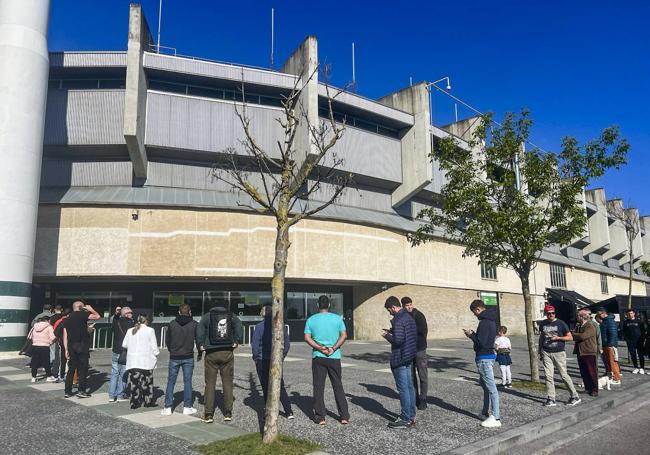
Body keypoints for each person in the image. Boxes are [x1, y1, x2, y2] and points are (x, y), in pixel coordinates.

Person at [304, 295, 350, 425]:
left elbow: (307, 338)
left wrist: (320, 348)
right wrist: (333, 348)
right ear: (329, 305)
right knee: (338, 385)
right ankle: (344, 416)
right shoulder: (337, 319)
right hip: (334, 356)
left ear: (318, 305)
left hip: (318, 356)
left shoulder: (311, 320)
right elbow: (344, 335)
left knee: (318, 387)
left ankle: (320, 417)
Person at [197, 301, 243, 423]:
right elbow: (239, 325)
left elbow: (199, 330)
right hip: (227, 352)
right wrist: (237, 341)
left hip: (211, 353)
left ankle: (208, 414)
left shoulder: (207, 316)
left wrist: (201, 345)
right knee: (227, 383)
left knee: (210, 384)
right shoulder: (231, 315)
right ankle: (228, 412)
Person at [463, 299, 501, 428]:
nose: (475, 315)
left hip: (484, 357)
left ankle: (496, 417)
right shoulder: (492, 320)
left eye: (474, 312)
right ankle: (485, 412)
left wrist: (471, 335)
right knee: (485, 385)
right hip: (488, 356)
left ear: (478, 309)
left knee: (491, 388)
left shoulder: (484, 322)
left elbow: (481, 343)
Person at [251, 304, 294, 419]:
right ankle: (289, 411)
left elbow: (255, 344)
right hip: (276, 359)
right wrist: (282, 356)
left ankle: (269, 412)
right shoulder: (281, 326)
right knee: (280, 384)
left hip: (262, 359)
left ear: (262, 314)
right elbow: (287, 344)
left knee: (266, 386)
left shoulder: (259, 327)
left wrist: (255, 357)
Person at [383, 296, 418, 429]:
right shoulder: (409, 317)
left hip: (400, 357)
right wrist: (392, 332)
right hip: (409, 356)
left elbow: (398, 340)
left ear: (393, 307)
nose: (389, 312)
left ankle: (405, 418)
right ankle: (411, 416)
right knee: (410, 388)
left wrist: (387, 335)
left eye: (389, 310)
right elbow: (408, 336)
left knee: (403, 389)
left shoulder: (398, 320)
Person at [538, 304, 581, 407]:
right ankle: (551, 398)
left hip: (559, 352)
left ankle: (574, 395)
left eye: (553, 313)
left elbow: (570, 337)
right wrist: (540, 350)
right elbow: (541, 337)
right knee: (548, 376)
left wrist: (558, 338)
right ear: (545, 314)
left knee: (563, 375)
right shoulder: (543, 324)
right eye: (549, 314)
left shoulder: (561, 323)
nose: (551, 315)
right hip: (546, 352)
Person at [162, 303, 199, 416]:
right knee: (187, 381)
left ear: (179, 312)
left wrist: (171, 350)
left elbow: (167, 340)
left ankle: (168, 407)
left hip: (174, 356)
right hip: (188, 356)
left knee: (171, 381)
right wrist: (200, 352)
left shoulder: (172, 324)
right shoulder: (194, 324)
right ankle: (187, 407)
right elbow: (198, 339)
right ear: (190, 312)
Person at [63, 301, 100, 398]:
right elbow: (97, 316)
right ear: (80, 307)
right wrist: (90, 309)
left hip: (71, 345)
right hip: (81, 345)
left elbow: (65, 335)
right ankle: (81, 391)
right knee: (83, 368)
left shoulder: (68, 318)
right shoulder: (83, 314)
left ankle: (67, 391)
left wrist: (66, 349)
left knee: (71, 369)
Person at [122, 314, 160, 409]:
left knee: (134, 383)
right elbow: (154, 346)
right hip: (146, 360)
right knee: (147, 383)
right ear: (146, 321)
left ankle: (134, 403)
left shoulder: (130, 331)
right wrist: (156, 353)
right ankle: (148, 401)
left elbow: (124, 344)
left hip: (133, 361)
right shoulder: (150, 330)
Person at [402, 296, 429, 410]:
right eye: (407, 305)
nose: (409, 307)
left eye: (410, 305)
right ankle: (415, 397)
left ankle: (423, 399)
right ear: (403, 306)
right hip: (408, 350)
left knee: (422, 374)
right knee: (411, 375)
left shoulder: (419, 315)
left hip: (419, 349)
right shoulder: (402, 316)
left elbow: (423, 330)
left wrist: (410, 329)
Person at [109, 306, 134, 402]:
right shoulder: (131, 324)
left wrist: (116, 313)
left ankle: (111, 396)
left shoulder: (116, 321)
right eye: (130, 312)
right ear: (127, 314)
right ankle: (120, 395)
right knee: (123, 374)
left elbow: (113, 319)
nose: (132, 314)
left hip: (115, 350)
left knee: (114, 373)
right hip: (125, 351)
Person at [572, 309, 599, 397]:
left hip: (589, 351)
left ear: (582, 316)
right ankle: (588, 388)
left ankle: (595, 389)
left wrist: (574, 334)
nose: (577, 317)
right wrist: (575, 334)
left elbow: (583, 336)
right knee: (584, 372)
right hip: (580, 352)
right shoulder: (579, 326)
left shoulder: (590, 326)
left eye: (578, 315)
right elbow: (575, 336)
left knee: (592, 371)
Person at [596, 307, 621, 384]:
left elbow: (613, 333)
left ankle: (617, 378)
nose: (599, 316)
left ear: (604, 313)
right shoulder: (604, 321)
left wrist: (610, 345)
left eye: (600, 314)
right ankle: (610, 375)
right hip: (605, 344)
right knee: (607, 362)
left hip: (610, 345)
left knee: (612, 362)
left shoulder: (610, 321)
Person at [29, 316, 57, 383]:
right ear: (47, 320)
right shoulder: (49, 327)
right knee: (46, 362)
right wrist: (50, 342)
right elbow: (53, 337)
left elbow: (30, 336)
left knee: (34, 362)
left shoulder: (35, 326)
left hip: (35, 346)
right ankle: (49, 376)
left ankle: (33, 377)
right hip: (44, 346)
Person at [621, 309, 645, 375]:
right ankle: (636, 367)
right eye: (628, 314)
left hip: (639, 341)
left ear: (634, 314)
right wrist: (626, 339)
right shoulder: (625, 322)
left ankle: (642, 368)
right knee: (633, 354)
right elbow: (623, 331)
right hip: (630, 341)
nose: (630, 315)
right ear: (627, 315)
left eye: (631, 313)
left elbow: (643, 331)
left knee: (640, 355)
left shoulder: (639, 321)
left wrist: (642, 339)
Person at [52, 307, 70, 381]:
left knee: (63, 359)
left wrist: (60, 338)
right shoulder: (70, 321)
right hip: (71, 342)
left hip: (62, 342)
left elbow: (56, 332)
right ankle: (68, 375)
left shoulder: (60, 321)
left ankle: (62, 375)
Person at [49, 305, 64, 380]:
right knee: (61, 356)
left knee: (54, 354)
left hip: (54, 337)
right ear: (61, 309)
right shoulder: (63, 317)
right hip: (61, 338)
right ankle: (60, 372)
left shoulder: (52, 317)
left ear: (55, 310)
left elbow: (51, 328)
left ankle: (54, 369)